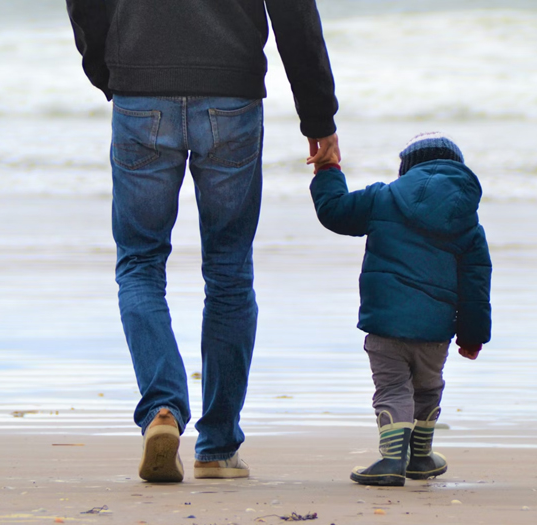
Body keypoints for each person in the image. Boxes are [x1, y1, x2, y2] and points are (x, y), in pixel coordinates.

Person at [65, 0, 340, 482]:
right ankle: (216, 446)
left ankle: (163, 411)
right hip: (230, 94)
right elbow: (294, 12)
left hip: (140, 90)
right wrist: (318, 118)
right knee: (229, 269)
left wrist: (110, 69)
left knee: (140, 265)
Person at [309, 132, 492, 486]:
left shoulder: (383, 198)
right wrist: (472, 336)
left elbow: (334, 211)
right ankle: (420, 458)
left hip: (385, 324)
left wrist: (328, 167)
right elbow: (475, 285)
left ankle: (392, 459)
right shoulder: (466, 220)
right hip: (435, 331)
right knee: (427, 387)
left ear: (406, 169)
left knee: (392, 388)